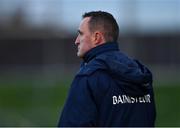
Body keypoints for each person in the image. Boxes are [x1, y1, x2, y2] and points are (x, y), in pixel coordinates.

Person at [58, 11, 156, 127]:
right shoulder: (139, 73)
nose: (76, 41)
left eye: (81, 34)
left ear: (96, 37)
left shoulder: (88, 77)